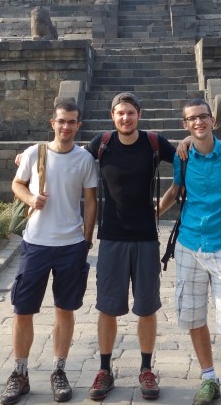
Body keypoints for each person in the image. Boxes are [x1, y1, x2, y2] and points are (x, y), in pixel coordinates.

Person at [158, 99, 221, 405]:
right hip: (189, 244)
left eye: (203, 117)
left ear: (213, 120)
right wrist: (150, 217)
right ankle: (209, 378)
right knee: (193, 316)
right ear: (184, 124)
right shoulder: (182, 156)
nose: (198, 122)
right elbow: (175, 191)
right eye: (192, 119)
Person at [1, 99, 99, 405]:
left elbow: (91, 200)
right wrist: (30, 199)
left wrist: (87, 238)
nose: (66, 127)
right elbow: (17, 184)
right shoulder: (35, 153)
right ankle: (20, 372)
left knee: (65, 309)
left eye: (72, 122)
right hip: (36, 242)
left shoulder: (84, 159)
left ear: (78, 126)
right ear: (52, 123)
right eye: (62, 121)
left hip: (71, 244)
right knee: (23, 309)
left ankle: (59, 369)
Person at [84, 92, 176, 401]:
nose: (126, 118)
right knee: (107, 307)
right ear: (113, 116)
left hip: (146, 238)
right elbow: (67, 157)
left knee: (147, 307)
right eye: (120, 113)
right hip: (111, 238)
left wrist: (159, 209)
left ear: (139, 115)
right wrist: (34, 154)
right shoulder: (102, 143)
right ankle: (105, 369)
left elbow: (187, 162)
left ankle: (147, 368)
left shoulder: (153, 142)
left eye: (131, 113)